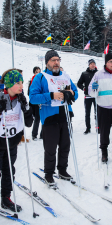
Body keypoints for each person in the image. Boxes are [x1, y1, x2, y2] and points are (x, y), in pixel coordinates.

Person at [0, 69, 33, 225]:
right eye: (18, 83)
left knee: (9, 172)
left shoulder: (21, 100)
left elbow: (29, 123)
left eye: (21, 83)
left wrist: (27, 108)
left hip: (11, 143)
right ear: (9, 84)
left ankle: (6, 198)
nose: (21, 86)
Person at [29, 50, 78, 186]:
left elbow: (76, 92)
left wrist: (72, 93)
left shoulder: (65, 76)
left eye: (58, 60)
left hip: (66, 115)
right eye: (53, 60)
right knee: (50, 148)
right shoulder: (40, 77)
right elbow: (33, 98)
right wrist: (51, 95)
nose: (56, 63)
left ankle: (62, 170)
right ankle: (49, 173)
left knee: (65, 146)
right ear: (47, 62)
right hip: (50, 117)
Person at [77, 59, 98, 134]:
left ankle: (98, 127)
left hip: (96, 96)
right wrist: (83, 88)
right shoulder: (84, 73)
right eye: (91, 64)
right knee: (87, 113)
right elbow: (79, 83)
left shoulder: (98, 73)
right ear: (89, 65)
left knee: (97, 113)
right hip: (88, 96)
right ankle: (88, 128)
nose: (92, 65)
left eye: (93, 64)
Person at [28, 66, 42, 140]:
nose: (38, 73)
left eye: (39, 72)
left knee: (43, 117)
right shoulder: (31, 81)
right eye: (36, 72)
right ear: (34, 73)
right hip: (36, 103)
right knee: (37, 118)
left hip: (42, 102)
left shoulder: (43, 80)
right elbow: (29, 93)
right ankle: (34, 135)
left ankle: (42, 134)